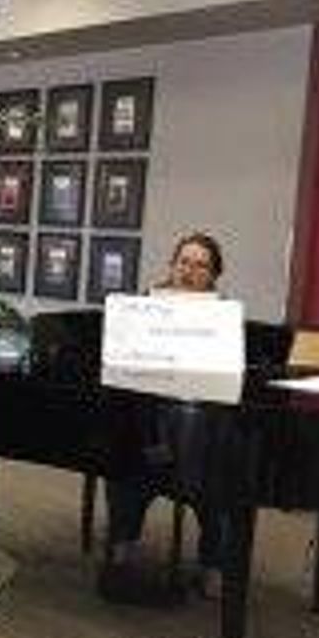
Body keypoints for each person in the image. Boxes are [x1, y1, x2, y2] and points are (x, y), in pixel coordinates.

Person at [101, 232, 226, 602]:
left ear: (214, 275)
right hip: (146, 429)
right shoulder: (143, 311)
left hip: (201, 437)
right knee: (124, 471)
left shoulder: (221, 319)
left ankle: (213, 564)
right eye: (183, 262)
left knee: (223, 487)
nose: (189, 271)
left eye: (200, 265)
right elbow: (125, 379)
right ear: (172, 266)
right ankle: (121, 547)